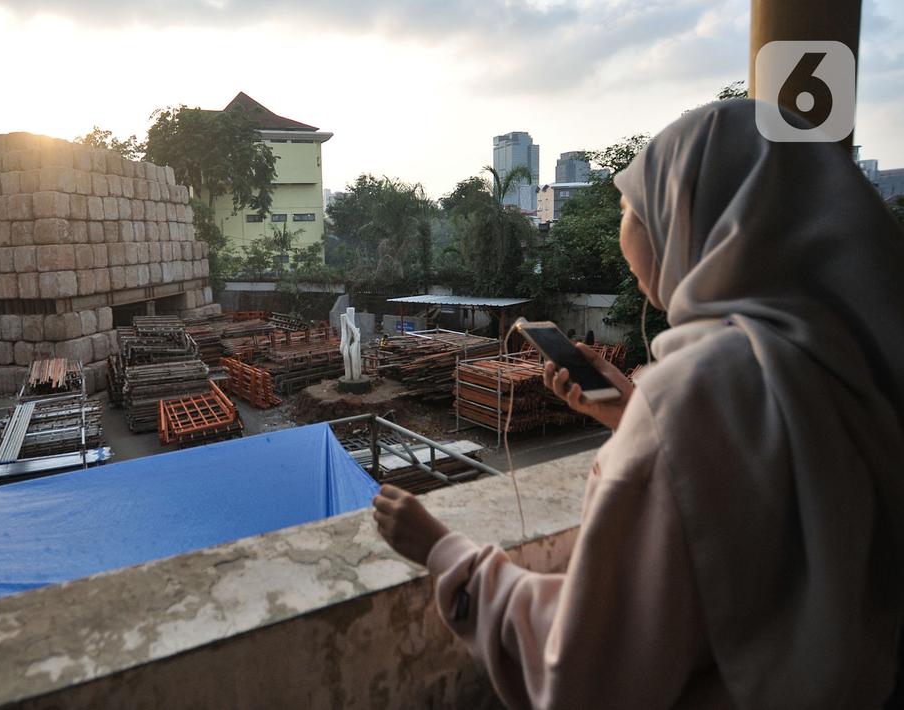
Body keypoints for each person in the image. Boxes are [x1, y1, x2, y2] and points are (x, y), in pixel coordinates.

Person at [373, 99, 904, 708]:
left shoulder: (697, 393)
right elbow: (752, 496)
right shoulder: (855, 357)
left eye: (631, 206)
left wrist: (447, 555)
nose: (624, 223)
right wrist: (627, 413)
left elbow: (582, 666)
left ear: (691, 219)